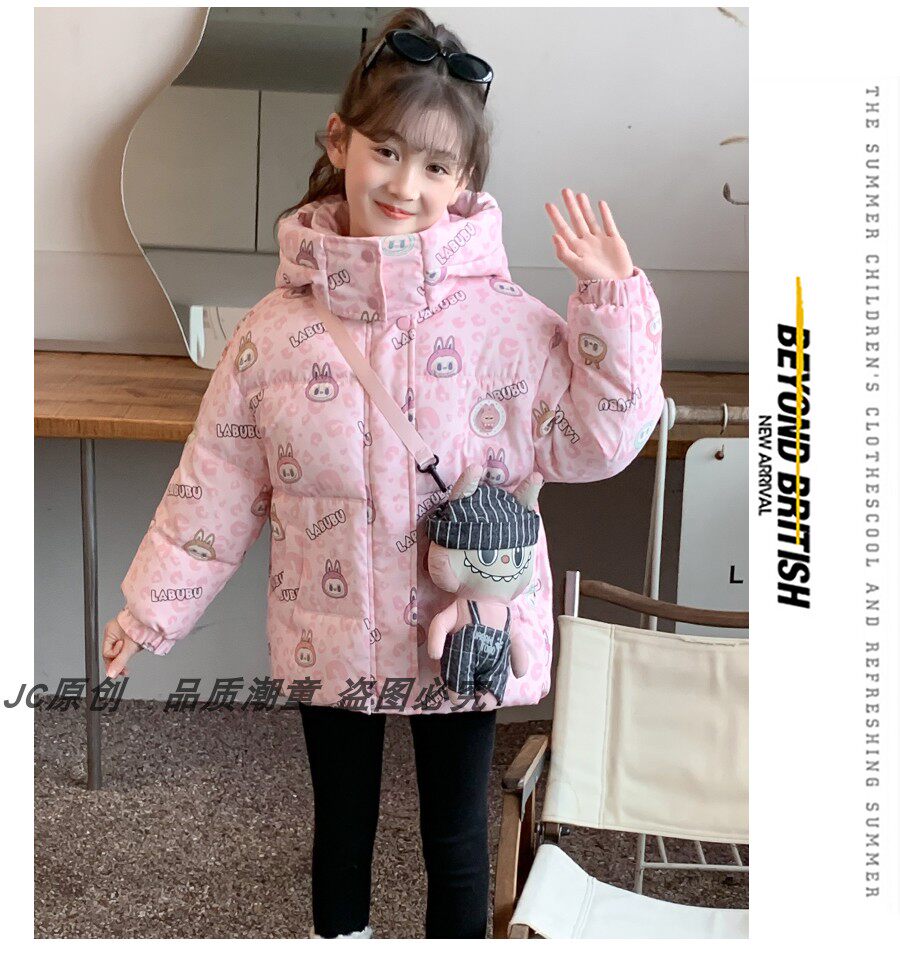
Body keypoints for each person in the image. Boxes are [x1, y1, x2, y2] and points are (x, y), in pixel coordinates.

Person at [102, 7, 665, 939]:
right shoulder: (275, 333)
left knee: (457, 837)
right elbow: (217, 483)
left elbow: (598, 438)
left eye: (438, 166)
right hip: (330, 631)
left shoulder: (505, 323)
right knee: (341, 832)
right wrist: (148, 611)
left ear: (466, 179)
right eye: (388, 152)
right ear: (341, 142)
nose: (407, 185)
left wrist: (612, 300)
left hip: (465, 631)